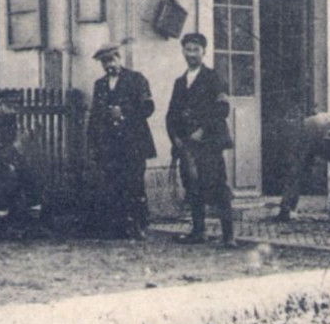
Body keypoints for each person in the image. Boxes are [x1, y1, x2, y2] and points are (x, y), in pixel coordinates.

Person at [166, 32, 236, 247]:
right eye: (188, 49)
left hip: (209, 143)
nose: (192, 54)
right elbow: (171, 114)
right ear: (183, 52)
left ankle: (228, 236)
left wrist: (203, 129)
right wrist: (175, 137)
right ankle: (198, 231)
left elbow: (222, 108)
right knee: (192, 186)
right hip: (186, 144)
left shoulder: (213, 77)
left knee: (218, 187)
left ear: (204, 51)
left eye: (196, 49)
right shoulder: (180, 82)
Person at [86, 43, 157, 239]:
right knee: (112, 185)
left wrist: (124, 112)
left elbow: (148, 108)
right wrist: (92, 143)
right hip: (109, 145)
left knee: (134, 184)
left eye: (111, 60)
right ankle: (117, 227)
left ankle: (139, 226)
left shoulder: (136, 79)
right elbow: (95, 116)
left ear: (119, 58)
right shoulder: (100, 85)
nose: (108, 65)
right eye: (104, 62)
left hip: (133, 143)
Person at [276, 110, 330, 223]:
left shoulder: (312, 122)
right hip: (328, 132)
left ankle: (286, 209)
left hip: (315, 127)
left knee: (296, 171)